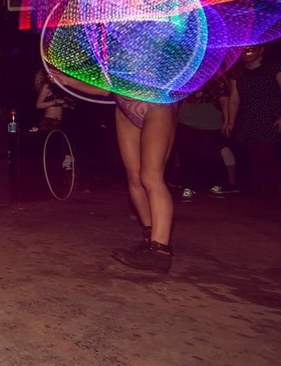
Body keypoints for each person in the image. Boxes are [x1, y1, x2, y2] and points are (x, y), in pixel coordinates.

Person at [46, 70, 178, 273]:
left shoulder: (154, 50)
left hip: (156, 107)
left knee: (151, 177)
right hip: (125, 111)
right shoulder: (112, 57)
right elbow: (104, 89)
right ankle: (150, 237)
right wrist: (67, 81)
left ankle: (160, 250)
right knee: (134, 178)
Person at [225, 45, 281, 202]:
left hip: (270, 115)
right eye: (243, 50)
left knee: (266, 154)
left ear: (261, 50)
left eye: (251, 49)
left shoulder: (277, 67)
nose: (247, 53)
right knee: (254, 155)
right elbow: (234, 99)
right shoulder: (238, 72)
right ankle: (262, 192)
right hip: (248, 117)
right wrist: (231, 121)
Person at [174, 74, 236, 199]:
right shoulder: (185, 73)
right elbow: (174, 99)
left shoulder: (215, 76)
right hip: (187, 119)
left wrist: (227, 120)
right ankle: (188, 187)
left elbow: (224, 99)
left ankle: (216, 186)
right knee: (187, 155)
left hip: (211, 121)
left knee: (212, 156)